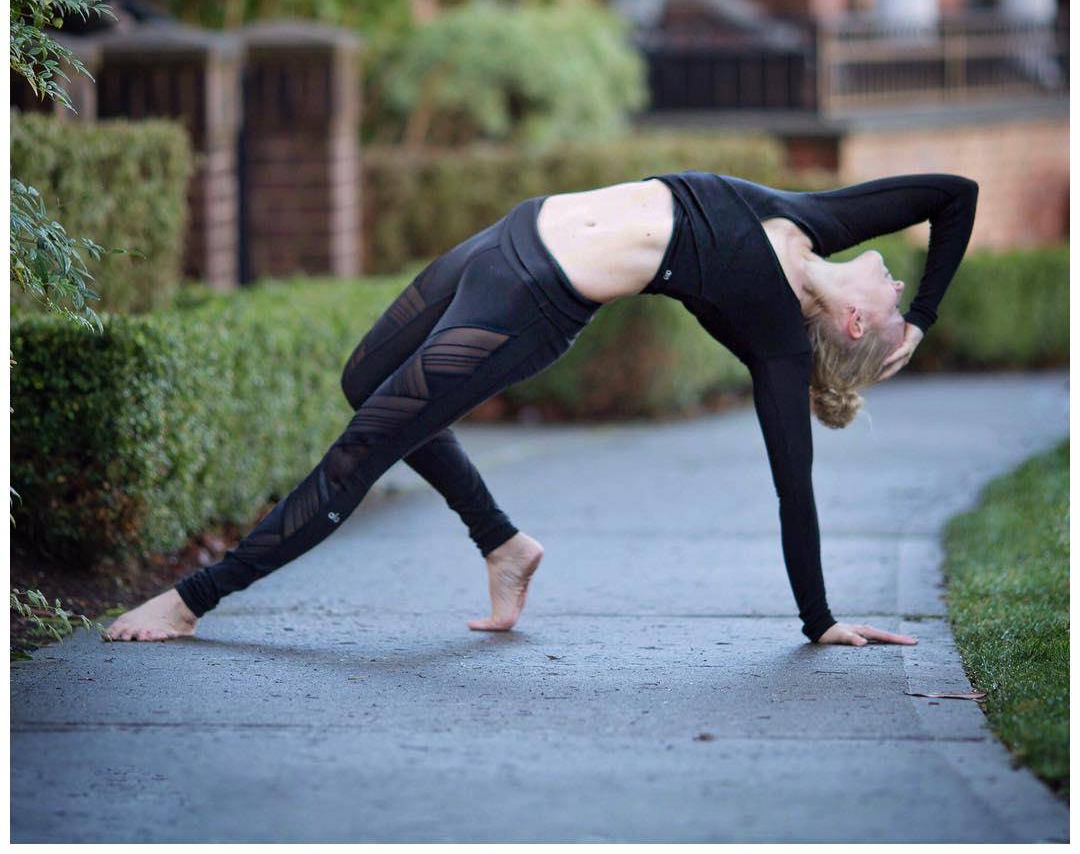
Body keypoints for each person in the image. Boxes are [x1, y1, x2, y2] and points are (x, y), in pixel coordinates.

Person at [104, 168, 978, 647]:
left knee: (361, 450)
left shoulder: (777, 343)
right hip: (506, 236)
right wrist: (927, 322)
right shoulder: (814, 220)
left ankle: (192, 601)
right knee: (363, 381)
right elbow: (953, 196)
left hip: (527, 300)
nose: (897, 275)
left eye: (897, 298)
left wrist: (819, 621)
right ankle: (504, 543)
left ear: (857, 320)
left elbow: (796, 489)